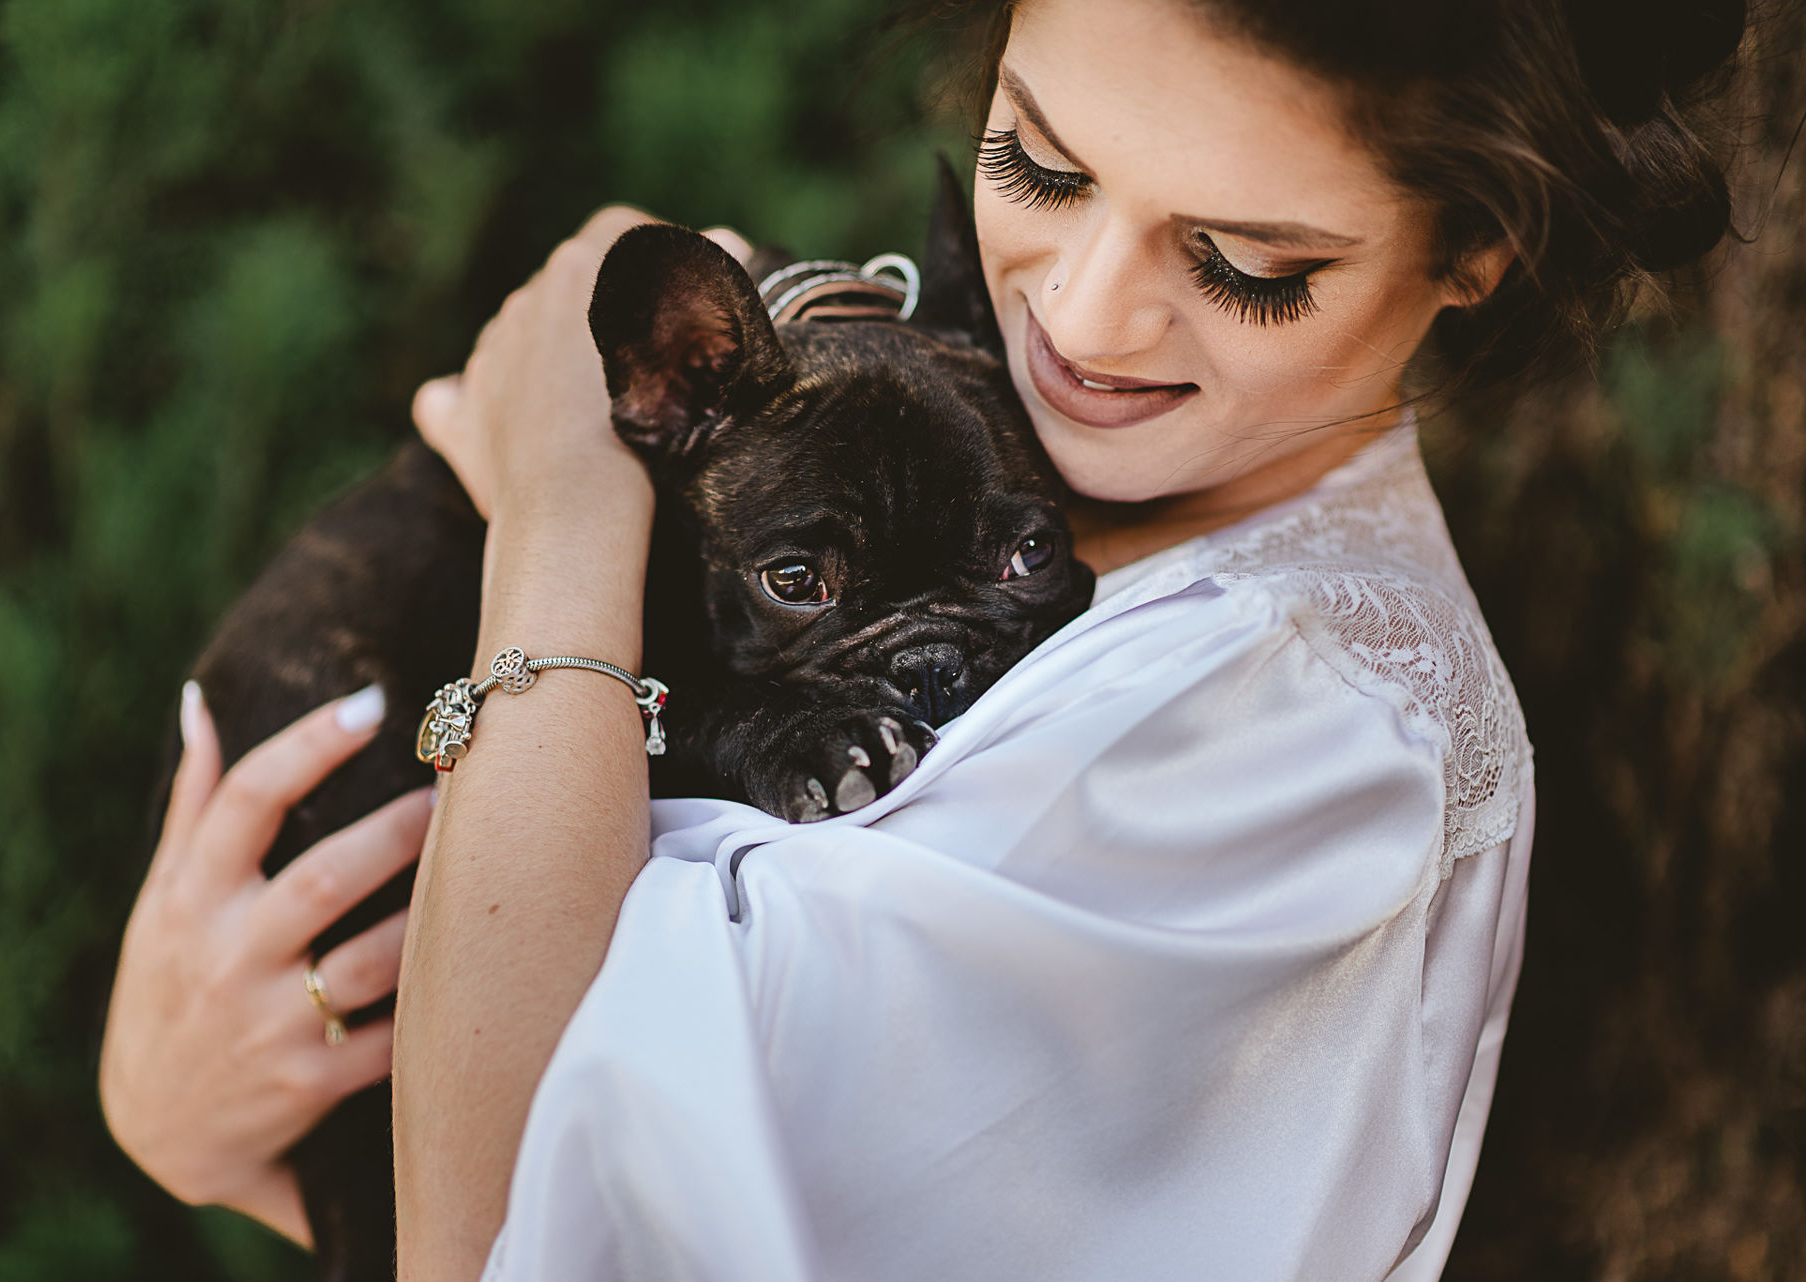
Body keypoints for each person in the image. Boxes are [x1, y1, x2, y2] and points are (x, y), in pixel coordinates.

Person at [98, 0, 1747, 1275]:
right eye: (1037, 163)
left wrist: (567, 507)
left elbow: (520, 1227)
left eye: (1246, 264)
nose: (1084, 320)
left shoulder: (1290, 737)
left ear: (1474, 249)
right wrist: (197, 1118)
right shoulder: (999, 439)